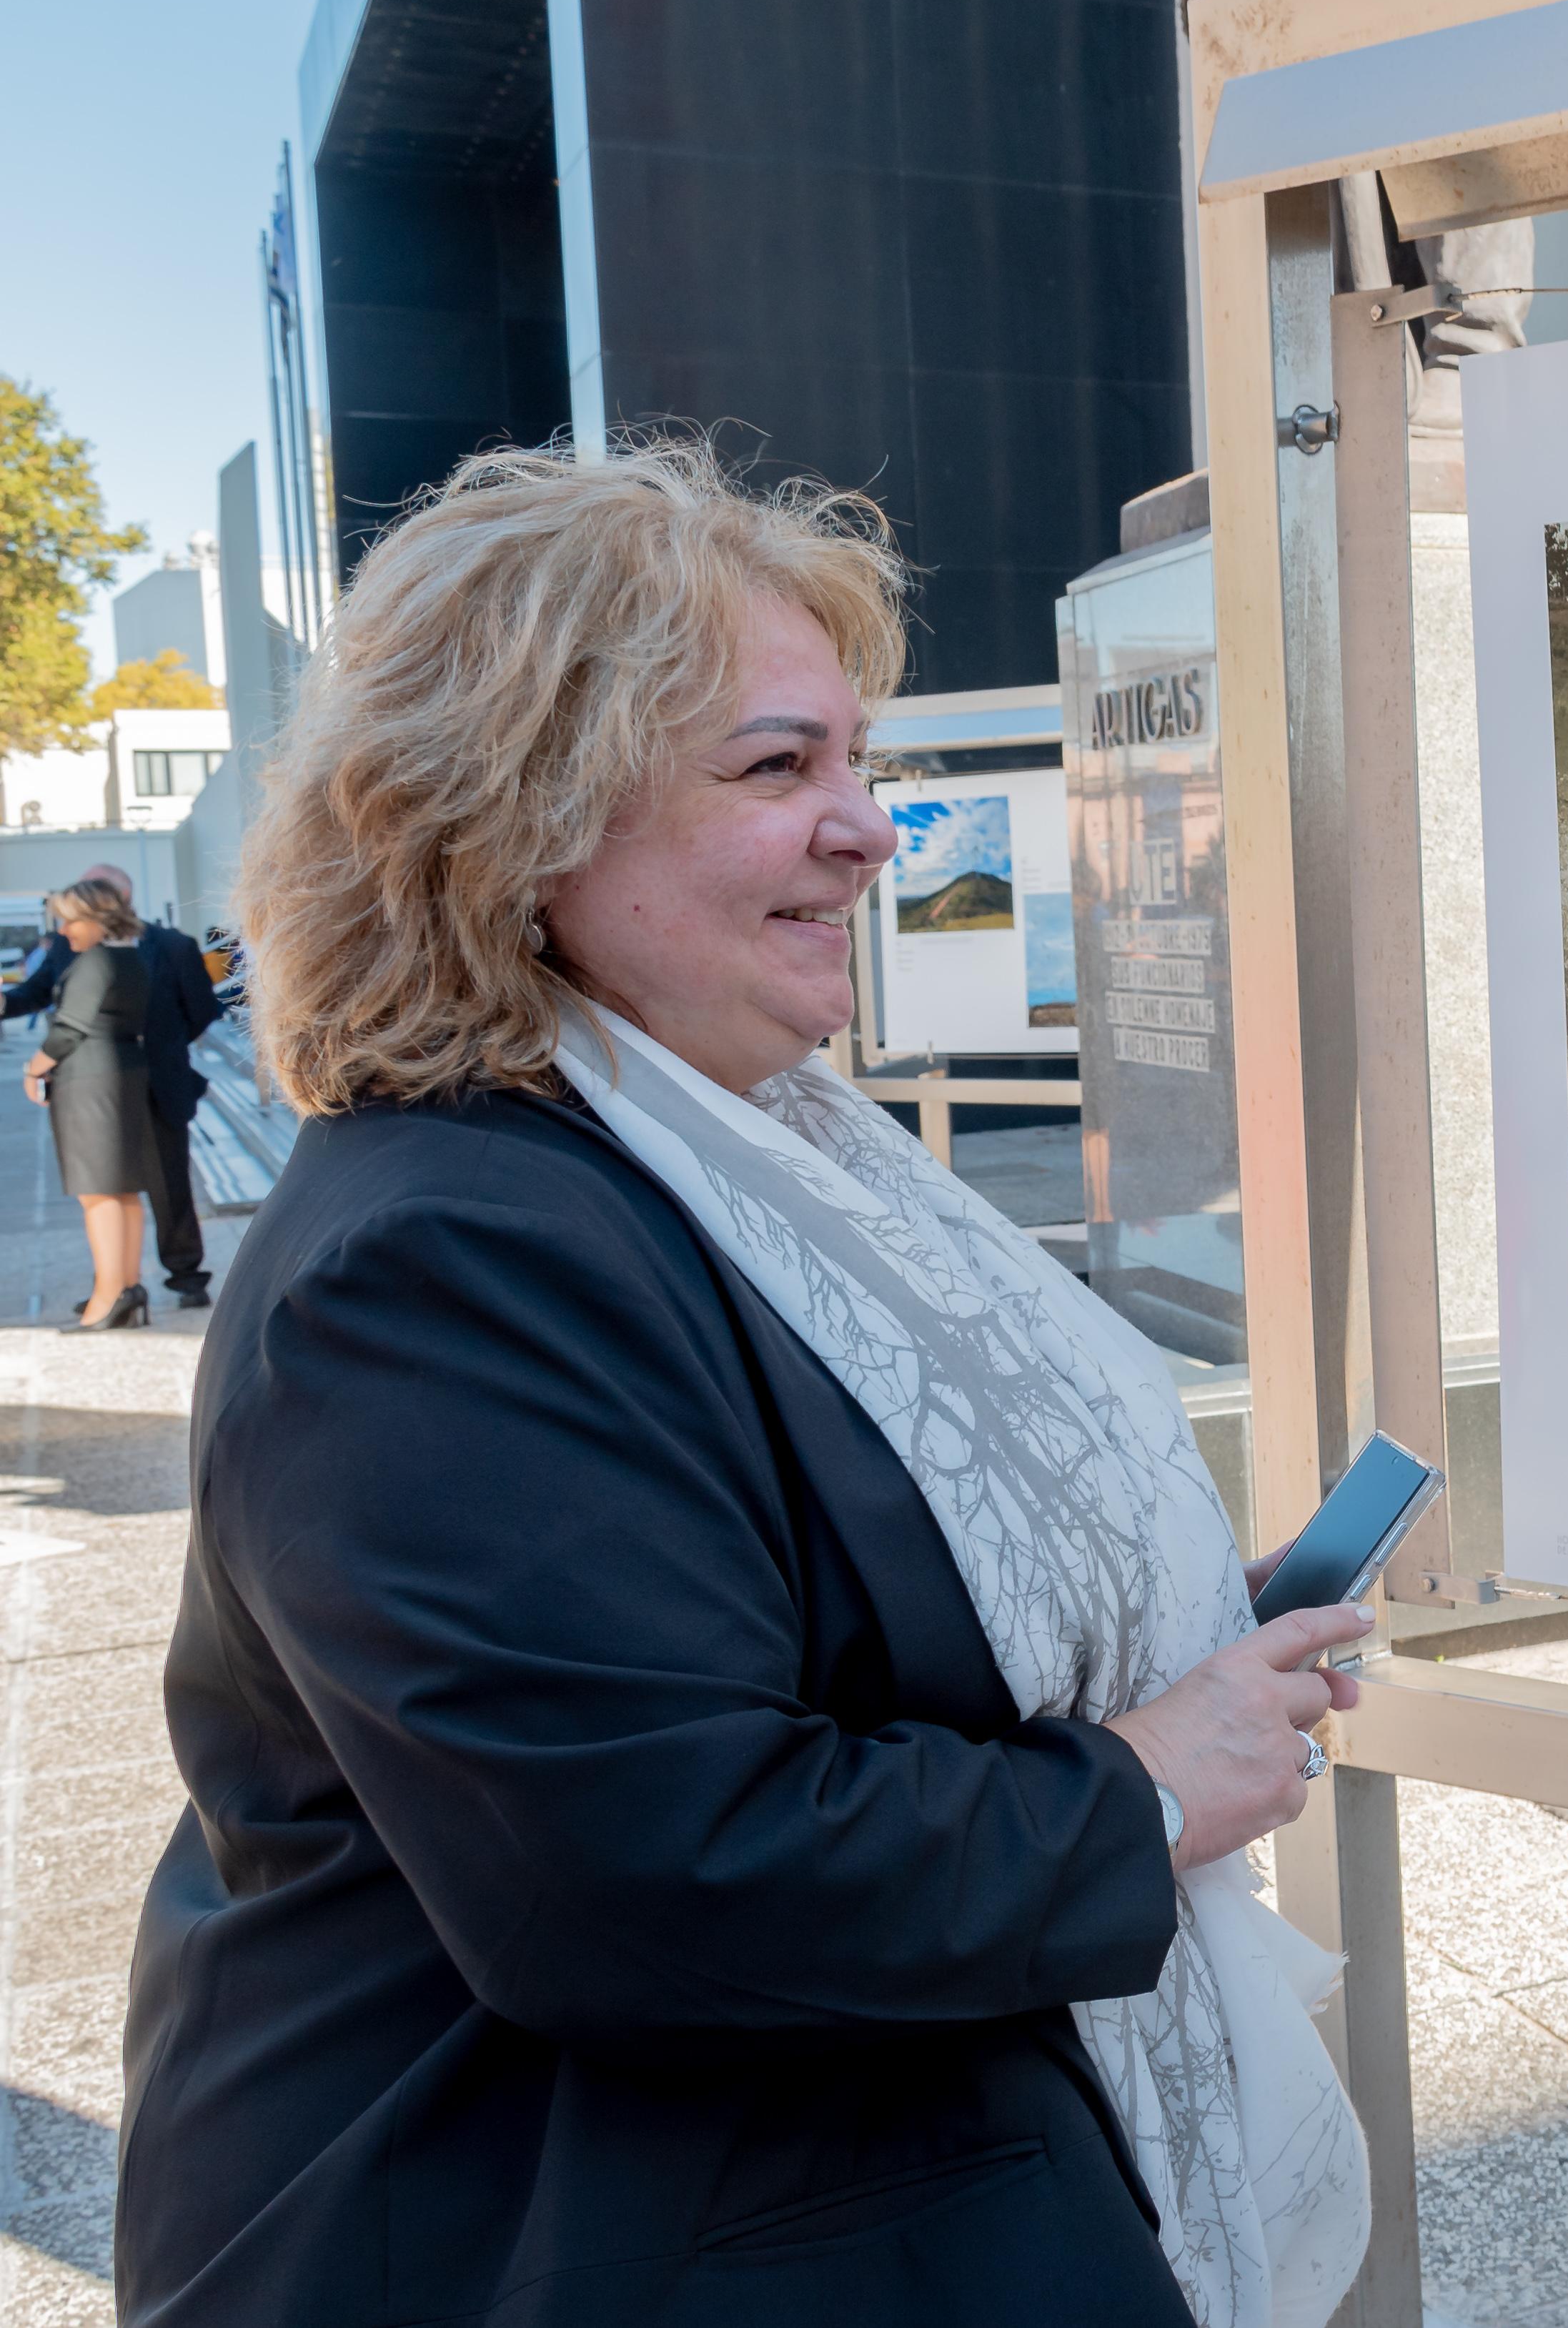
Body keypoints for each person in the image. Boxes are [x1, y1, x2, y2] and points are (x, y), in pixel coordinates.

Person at [122, 440, 1374, 2327]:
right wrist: (1126, 1790)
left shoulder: (728, 1154)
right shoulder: (445, 1255)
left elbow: (824, 1595)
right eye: (777, 766)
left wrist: (1166, 1638)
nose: (870, 826)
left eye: (856, 761)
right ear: (510, 816)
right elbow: (639, 1867)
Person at [21, 861, 224, 1304]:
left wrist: (164, 1048)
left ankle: (186, 1278)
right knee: (112, 1187)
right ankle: (115, 1285)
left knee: (169, 1185)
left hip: (160, 1085)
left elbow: (203, 1009)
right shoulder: (69, 946)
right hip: (102, 1088)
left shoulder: (172, 946)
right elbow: (35, 993)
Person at [21, 878, 161, 1330]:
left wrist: (33, 1069)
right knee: (122, 1188)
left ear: (96, 918)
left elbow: (69, 1029)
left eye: (70, 919)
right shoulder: (129, 956)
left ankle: (109, 1296)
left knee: (97, 1192)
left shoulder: (96, 961)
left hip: (90, 1081)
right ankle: (128, 1289)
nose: (63, 931)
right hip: (121, 1073)